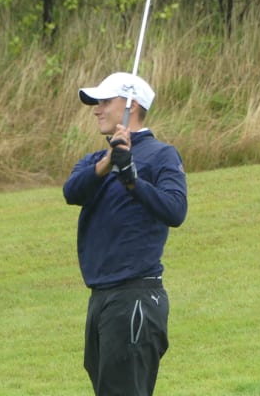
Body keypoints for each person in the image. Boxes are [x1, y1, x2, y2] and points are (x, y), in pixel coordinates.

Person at [63, 72, 188, 395]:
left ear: (130, 106)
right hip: (102, 297)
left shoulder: (162, 156)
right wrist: (110, 162)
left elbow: (175, 210)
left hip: (135, 295)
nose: (96, 109)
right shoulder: (96, 160)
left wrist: (132, 178)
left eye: (105, 101)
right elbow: (72, 192)